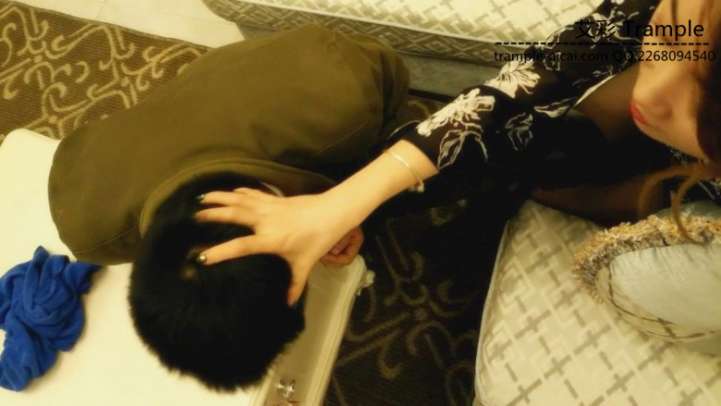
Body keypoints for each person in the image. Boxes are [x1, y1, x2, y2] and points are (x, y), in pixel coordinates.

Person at [193, 0, 721, 306]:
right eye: (669, 36)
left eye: (705, 106)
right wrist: (347, 203)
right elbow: (528, 83)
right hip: (662, 151)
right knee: (527, 132)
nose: (651, 90)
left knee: (575, 187)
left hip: (691, 187)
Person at [47, 25, 408, 391]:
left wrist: (355, 197)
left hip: (291, 72)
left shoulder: (344, 98)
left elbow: (394, 78)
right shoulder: (85, 224)